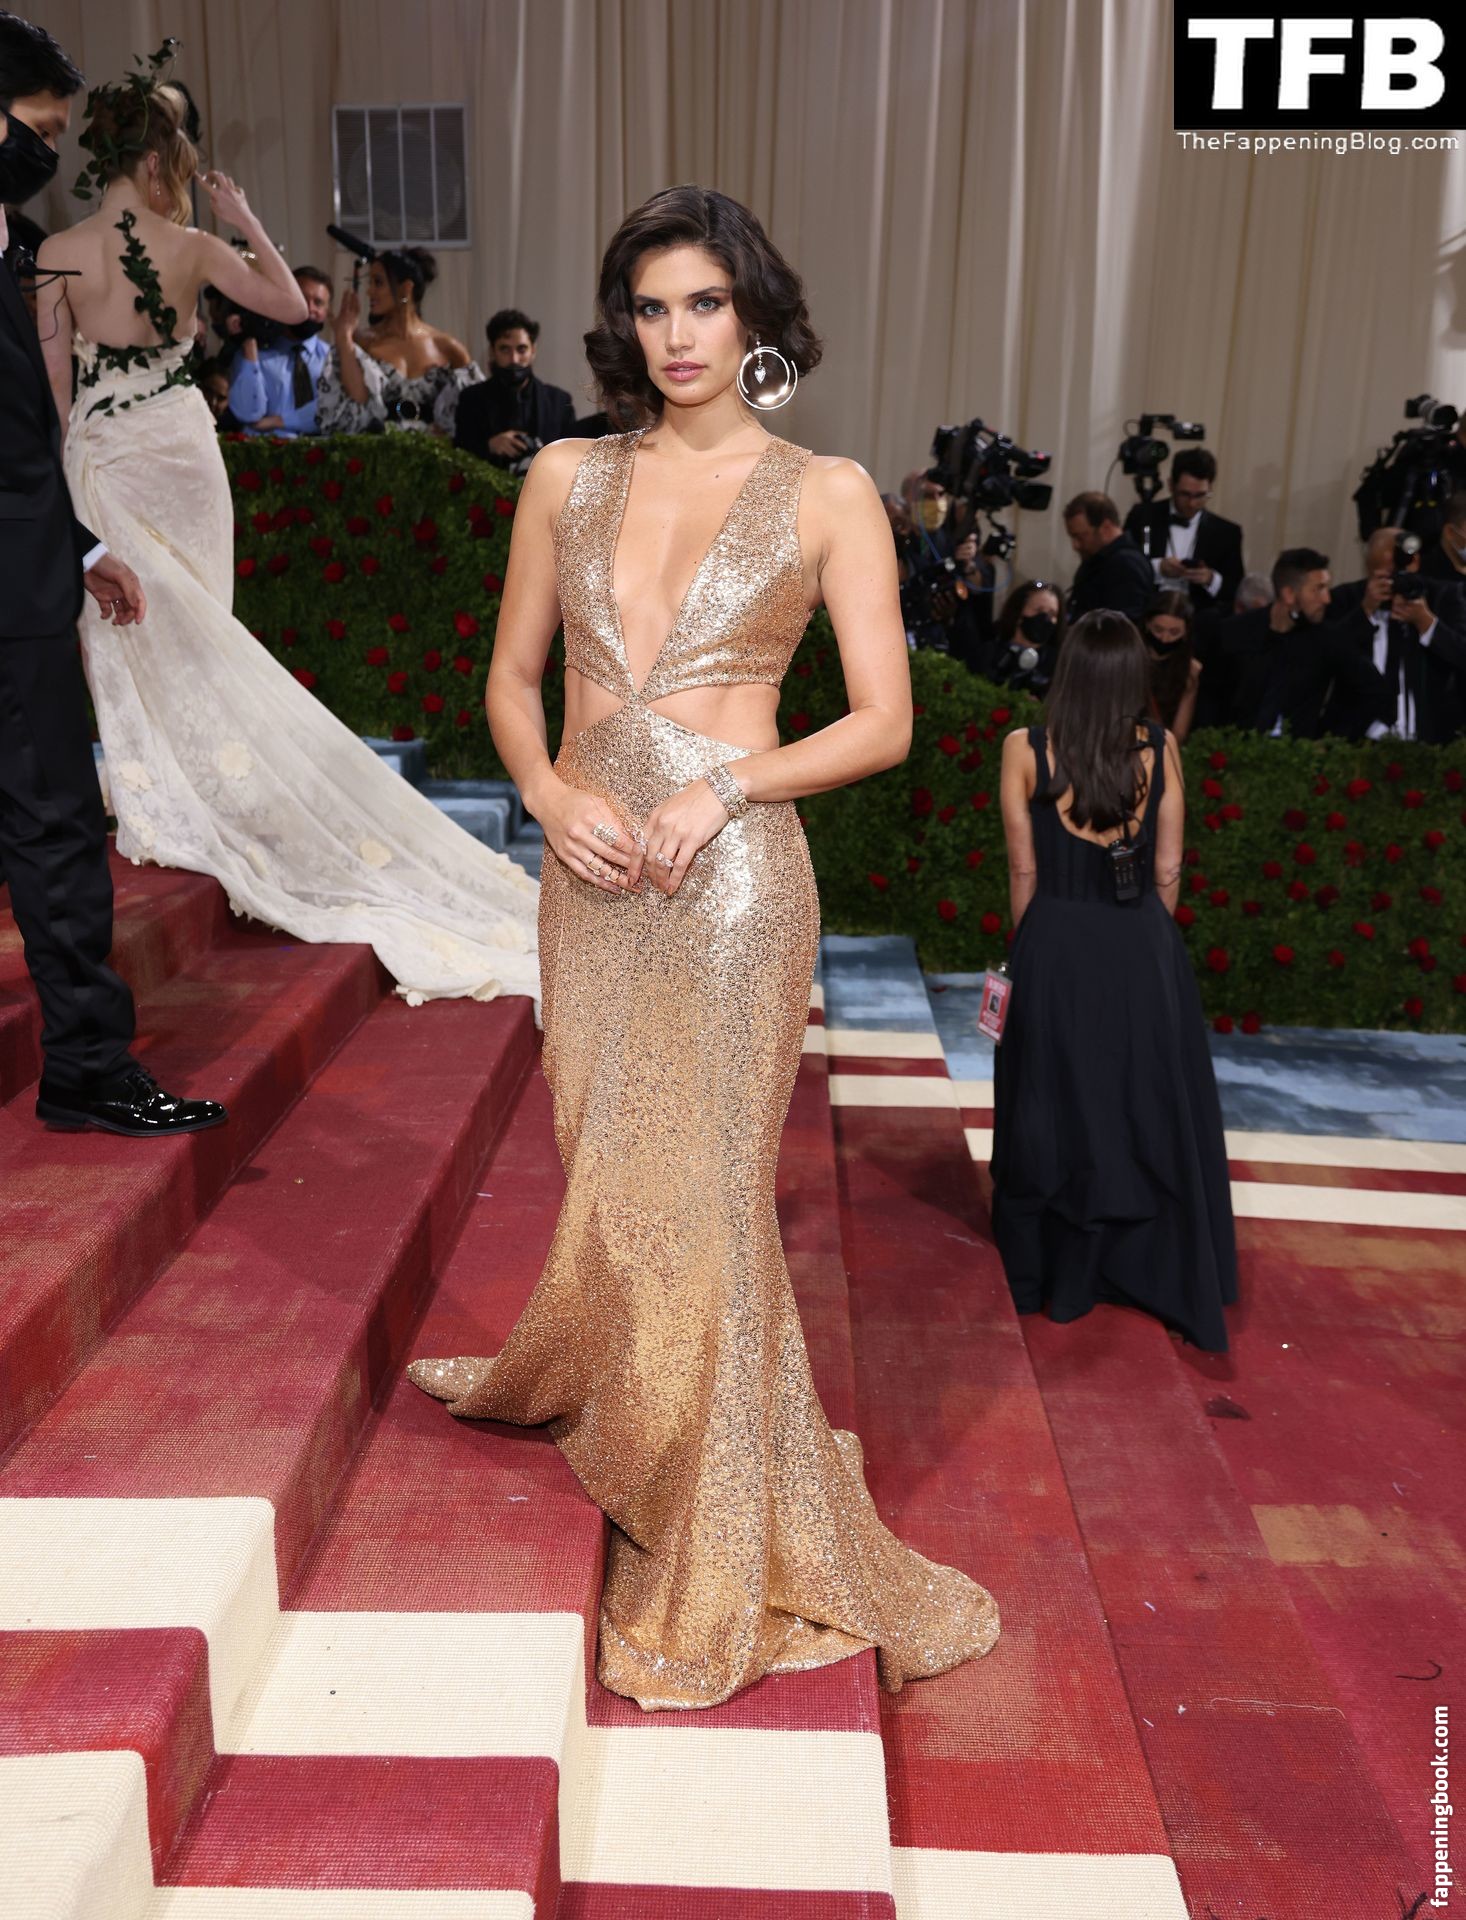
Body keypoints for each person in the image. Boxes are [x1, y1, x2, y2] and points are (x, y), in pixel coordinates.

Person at [406, 184, 1000, 1711]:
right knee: (610, 1172)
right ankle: (645, 1412)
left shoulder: (826, 491)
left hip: (733, 883)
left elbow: (883, 720)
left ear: (756, 318)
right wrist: (547, 796)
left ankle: (714, 1533)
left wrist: (725, 786)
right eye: (652, 307)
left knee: (712, 1199)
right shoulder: (563, 474)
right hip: (586, 877)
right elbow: (511, 682)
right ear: (626, 324)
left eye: (705, 304)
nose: (677, 335)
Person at [34, 49, 539, 1008]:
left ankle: (162, 795)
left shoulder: (58, 252)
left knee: (134, 630)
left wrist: (64, 497)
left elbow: (55, 400)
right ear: (160, 162)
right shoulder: (191, 246)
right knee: (205, 634)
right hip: (182, 449)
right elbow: (285, 305)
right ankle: (210, 792)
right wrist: (245, 220)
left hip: (104, 450)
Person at [0, 11, 225, 1136]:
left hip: (28, 579)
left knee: (54, 832)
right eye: (37, 129)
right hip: (14, 590)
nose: (48, 151)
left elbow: (18, 442)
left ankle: (87, 1066)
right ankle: (86, 1066)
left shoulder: (20, 239)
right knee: (50, 833)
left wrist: (81, 546)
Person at [992, 610, 1236, 1352]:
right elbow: (1167, 870)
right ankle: (1132, 1261)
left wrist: (1032, 954)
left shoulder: (1024, 748)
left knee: (1055, 1103)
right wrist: (1143, 945)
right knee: (1136, 1104)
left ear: (1067, 668)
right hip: (1139, 948)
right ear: (1133, 675)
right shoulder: (1160, 748)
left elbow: (1024, 872)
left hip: (1054, 942)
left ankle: (1048, 1270)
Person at [1202, 548, 1390, 738]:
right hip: (1234, 749)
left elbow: (1376, 691)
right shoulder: (1236, 632)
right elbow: (1210, 697)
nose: (1327, 599)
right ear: (1289, 594)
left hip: (1298, 753)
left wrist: (1331, 738)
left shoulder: (1326, 639)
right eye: (1319, 589)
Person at [316, 247, 482, 436]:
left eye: (378, 283)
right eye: (370, 283)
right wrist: (343, 337)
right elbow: (356, 402)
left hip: (435, 451)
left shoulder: (448, 347)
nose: (369, 291)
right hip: (377, 449)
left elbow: (478, 410)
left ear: (405, 288)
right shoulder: (361, 342)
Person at [1325, 528, 1466, 743]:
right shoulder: (1346, 598)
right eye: (1382, 575)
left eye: (1398, 571)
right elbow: (1326, 656)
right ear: (1369, 568)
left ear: (1415, 561)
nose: (1393, 580)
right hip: (1357, 740)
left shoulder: (1443, 596)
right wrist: (1365, 612)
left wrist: (1426, 622)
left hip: (1428, 740)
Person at [1123, 447, 1245, 618]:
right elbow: (1124, 565)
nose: (1192, 503)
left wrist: (1210, 579)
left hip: (1199, 622)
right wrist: (1158, 567)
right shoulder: (1144, 519)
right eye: (1185, 494)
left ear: (1210, 487)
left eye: (1200, 495)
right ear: (1171, 485)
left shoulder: (1226, 533)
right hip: (1145, 614)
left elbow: (1235, 589)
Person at [454, 305, 577, 470]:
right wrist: (490, 445)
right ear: (492, 352)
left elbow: (572, 461)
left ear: (533, 351)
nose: (514, 359)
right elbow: (457, 454)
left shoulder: (560, 402)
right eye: (505, 349)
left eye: (522, 349)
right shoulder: (471, 399)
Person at [226, 263, 332, 437]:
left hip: (322, 451)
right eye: (302, 298)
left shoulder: (333, 358)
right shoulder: (254, 352)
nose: (309, 308)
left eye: (318, 303)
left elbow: (333, 409)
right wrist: (250, 348)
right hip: (263, 450)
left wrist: (278, 421)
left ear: (327, 311)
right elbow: (247, 413)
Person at [1063, 490, 1153, 623]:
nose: (1075, 545)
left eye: (1080, 537)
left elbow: (1122, 625)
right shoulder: (1097, 559)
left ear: (1106, 528)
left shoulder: (1126, 565)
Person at [974, 578, 1064, 696]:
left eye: (1052, 614)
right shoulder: (989, 653)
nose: (1045, 618)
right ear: (1018, 613)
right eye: (1038, 610)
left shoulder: (1058, 666)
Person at [1141, 590, 1202, 741]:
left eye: (1174, 632)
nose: (1164, 639)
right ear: (1147, 624)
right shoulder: (1129, 657)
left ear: (1186, 632)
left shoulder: (1189, 669)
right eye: (1158, 629)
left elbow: (1178, 734)